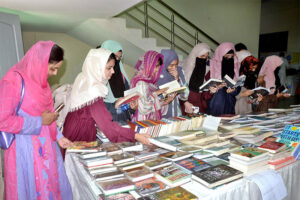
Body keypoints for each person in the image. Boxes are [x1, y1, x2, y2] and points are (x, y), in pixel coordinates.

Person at [0, 41, 73, 200]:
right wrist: (38, 121)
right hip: (24, 149)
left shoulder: (42, 83)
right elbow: (3, 121)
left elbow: (48, 115)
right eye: (53, 68)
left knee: (49, 188)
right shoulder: (12, 81)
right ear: (39, 62)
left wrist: (59, 138)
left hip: (47, 147)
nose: (54, 74)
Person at [63, 48, 151, 152]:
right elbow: (109, 128)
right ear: (97, 67)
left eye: (113, 67)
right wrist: (135, 135)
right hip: (80, 133)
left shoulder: (84, 78)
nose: (113, 71)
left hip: (72, 127)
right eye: (109, 68)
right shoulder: (94, 90)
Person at [130, 50, 175, 122]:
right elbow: (143, 108)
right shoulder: (140, 82)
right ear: (148, 65)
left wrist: (164, 102)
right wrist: (156, 93)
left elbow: (151, 104)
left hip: (151, 121)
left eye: (158, 66)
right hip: (143, 122)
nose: (157, 69)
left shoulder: (150, 81)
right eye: (155, 66)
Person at [100, 40, 137, 123]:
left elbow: (128, 101)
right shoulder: (98, 79)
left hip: (124, 120)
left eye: (119, 58)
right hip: (107, 123)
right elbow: (95, 107)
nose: (117, 60)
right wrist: (115, 105)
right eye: (115, 56)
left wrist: (132, 108)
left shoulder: (122, 77)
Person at [182, 43, 218, 114]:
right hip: (185, 107)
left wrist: (211, 92)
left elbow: (205, 96)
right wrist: (184, 102)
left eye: (206, 57)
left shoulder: (207, 71)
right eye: (202, 56)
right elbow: (178, 92)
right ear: (195, 55)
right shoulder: (184, 69)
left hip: (200, 109)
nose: (204, 59)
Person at [156, 49, 192, 118]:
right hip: (161, 113)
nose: (174, 68)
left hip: (176, 113)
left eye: (176, 65)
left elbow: (185, 96)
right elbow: (152, 97)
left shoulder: (179, 71)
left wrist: (177, 79)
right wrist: (165, 99)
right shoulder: (156, 73)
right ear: (164, 62)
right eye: (171, 65)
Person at [208, 42, 241, 116]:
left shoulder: (236, 66)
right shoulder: (212, 66)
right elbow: (204, 91)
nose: (229, 59)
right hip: (216, 104)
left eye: (232, 57)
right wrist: (216, 88)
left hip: (230, 104)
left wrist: (233, 90)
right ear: (220, 55)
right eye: (227, 57)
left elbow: (238, 87)